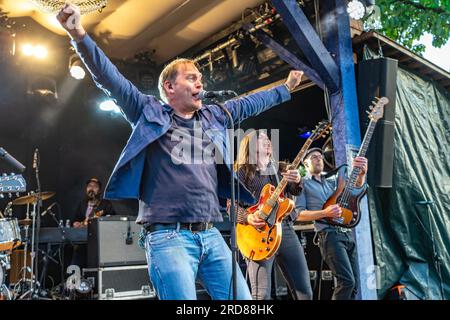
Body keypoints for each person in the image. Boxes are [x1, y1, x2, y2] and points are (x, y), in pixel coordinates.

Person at [57, 3, 303, 300]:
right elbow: (110, 79)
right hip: (167, 236)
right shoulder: (149, 112)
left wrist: (285, 89)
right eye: (191, 78)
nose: (200, 82)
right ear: (169, 87)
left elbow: (249, 103)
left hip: (211, 234)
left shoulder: (214, 116)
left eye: (201, 78)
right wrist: (79, 35)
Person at [233, 130, 313, 300]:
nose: (267, 140)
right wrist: (247, 217)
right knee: (261, 295)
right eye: (261, 138)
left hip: (285, 230)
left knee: (304, 292)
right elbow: (231, 205)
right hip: (257, 232)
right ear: (250, 144)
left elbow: (295, 191)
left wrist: (298, 179)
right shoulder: (242, 171)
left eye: (268, 138)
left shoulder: (281, 168)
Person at [295, 147, 368, 300]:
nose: (319, 158)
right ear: (306, 163)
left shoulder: (333, 180)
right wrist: (325, 213)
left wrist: (362, 174)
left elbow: (355, 189)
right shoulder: (303, 184)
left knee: (354, 285)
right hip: (329, 235)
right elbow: (298, 214)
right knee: (347, 282)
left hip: (347, 234)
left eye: (320, 156)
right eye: (314, 157)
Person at [71, 178, 115, 269]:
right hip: (83, 240)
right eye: (89, 186)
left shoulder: (105, 204)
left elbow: (113, 219)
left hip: (99, 241)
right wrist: (76, 223)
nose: (91, 188)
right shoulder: (82, 204)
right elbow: (75, 219)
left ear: (99, 190)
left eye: (95, 186)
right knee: (76, 261)